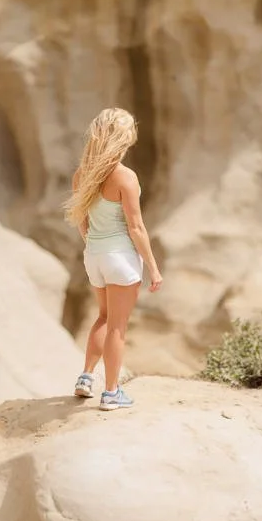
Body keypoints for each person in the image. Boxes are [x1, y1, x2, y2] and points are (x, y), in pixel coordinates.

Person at [63, 107, 161, 410]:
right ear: (124, 137)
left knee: (103, 317)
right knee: (118, 326)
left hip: (94, 255)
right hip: (120, 257)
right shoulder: (125, 177)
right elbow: (136, 228)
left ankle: (85, 377)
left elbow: (83, 221)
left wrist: (95, 246)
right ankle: (111, 392)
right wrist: (154, 270)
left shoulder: (82, 175)